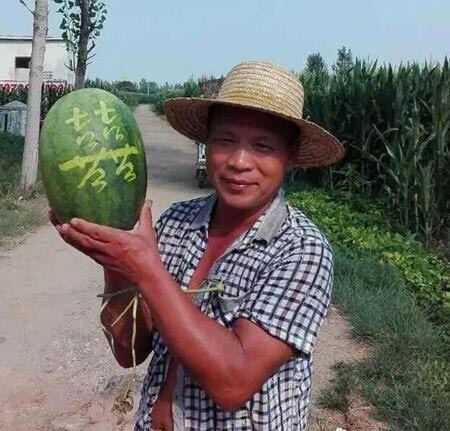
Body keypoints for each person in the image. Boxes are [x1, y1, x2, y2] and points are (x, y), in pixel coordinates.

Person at [51, 61, 345, 431]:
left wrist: (145, 268)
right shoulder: (177, 223)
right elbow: (129, 353)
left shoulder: (302, 251)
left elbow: (233, 382)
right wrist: (114, 259)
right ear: (206, 143)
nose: (239, 162)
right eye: (225, 141)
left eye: (262, 146)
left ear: (290, 155)